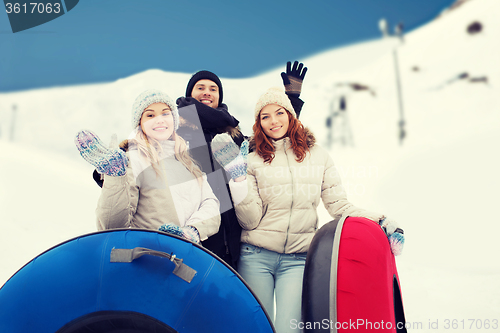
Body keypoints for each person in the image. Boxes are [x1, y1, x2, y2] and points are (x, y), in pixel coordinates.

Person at [210, 87, 404, 332]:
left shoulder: (318, 156)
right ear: (258, 123)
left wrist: (381, 220)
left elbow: (339, 206)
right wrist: (237, 180)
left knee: (288, 329)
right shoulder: (253, 158)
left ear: (290, 115)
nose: (273, 121)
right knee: (256, 328)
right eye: (265, 116)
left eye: (279, 112)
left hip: (298, 259)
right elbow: (249, 221)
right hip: (256, 256)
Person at [90, 61, 308, 270]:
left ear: (219, 96)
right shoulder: (176, 133)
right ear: (189, 94)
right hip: (190, 230)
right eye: (200, 87)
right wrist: (110, 172)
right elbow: (143, 149)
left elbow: (269, 138)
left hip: (231, 231)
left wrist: (290, 101)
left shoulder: (232, 134)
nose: (207, 92)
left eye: (213, 89)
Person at [75, 89, 220, 243]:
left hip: (187, 257)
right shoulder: (134, 160)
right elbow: (112, 226)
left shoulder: (188, 163)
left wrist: (191, 231)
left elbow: (211, 204)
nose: (159, 120)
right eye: (150, 115)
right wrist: (115, 177)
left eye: (165, 113)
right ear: (140, 123)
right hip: (146, 256)